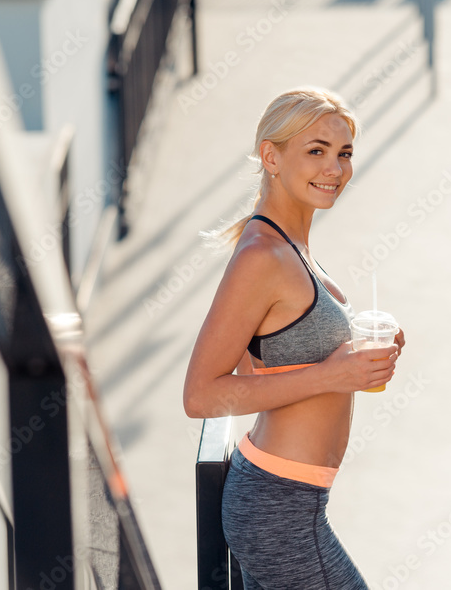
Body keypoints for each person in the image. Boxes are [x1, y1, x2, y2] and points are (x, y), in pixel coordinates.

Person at [183, 87, 404, 589]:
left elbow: (255, 366)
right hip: (277, 507)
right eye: (317, 151)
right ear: (271, 156)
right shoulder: (262, 255)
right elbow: (201, 394)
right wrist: (332, 374)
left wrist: (356, 353)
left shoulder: (292, 245)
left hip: (291, 500)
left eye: (344, 154)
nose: (335, 168)